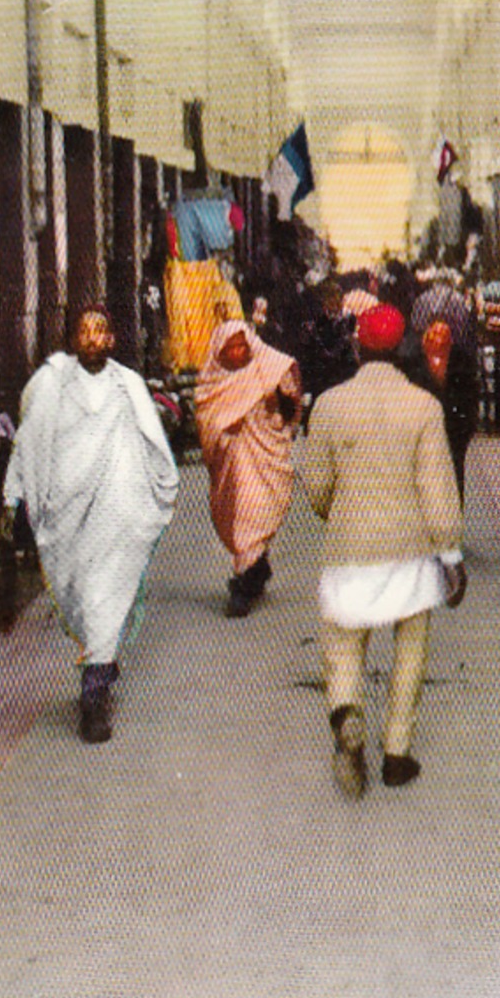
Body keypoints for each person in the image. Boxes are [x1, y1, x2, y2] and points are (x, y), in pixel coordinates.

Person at [301, 304, 466, 799]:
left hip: (350, 547)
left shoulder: (329, 405)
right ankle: (397, 753)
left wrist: (340, 512)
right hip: (409, 549)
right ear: (401, 348)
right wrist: (451, 553)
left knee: (345, 646)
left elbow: (316, 486)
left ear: (357, 346)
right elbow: (438, 488)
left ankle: (347, 710)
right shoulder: (423, 407)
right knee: (410, 650)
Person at [2, 305, 179, 744]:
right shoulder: (51, 384)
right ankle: (99, 661)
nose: (92, 339)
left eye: (100, 331)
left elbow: (155, 445)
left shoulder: (129, 386)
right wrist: (18, 492)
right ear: (74, 339)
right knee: (81, 596)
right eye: (84, 332)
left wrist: (159, 488)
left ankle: (94, 695)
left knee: (104, 597)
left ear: (113, 340)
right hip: (67, 514)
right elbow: (29, 442)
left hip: (118, 513)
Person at [195, 319, 302, 618]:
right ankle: (252, 571)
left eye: (242, 345)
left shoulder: (268, 367)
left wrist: (275, 405)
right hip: (234, 456)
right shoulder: (213, 381)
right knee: (243, 511)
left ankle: (246, 579)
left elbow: (290, 404)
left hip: (266, 449)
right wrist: (224, 430)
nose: (238, 352)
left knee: (256, 511)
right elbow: (206, 416)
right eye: (231, 348)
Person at [403, 318, 481, 502]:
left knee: (453, 479)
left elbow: (471, 395)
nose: (439, 340)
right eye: (435, 334)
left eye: (444, 335)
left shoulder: (462, 360)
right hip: (420, 431)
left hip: (454, 430)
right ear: (425, 336)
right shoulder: (412, 360)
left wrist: (466, 428)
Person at [299, 281, 359, 429]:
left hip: (336, 384)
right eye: (331, 298)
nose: (335, 303)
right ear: (323, 301)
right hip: (325, 383)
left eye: (337, 298)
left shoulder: (348, 322)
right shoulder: (317, 326)